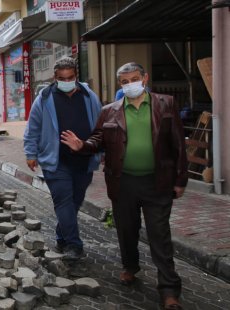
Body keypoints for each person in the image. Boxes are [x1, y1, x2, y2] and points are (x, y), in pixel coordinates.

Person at [60, 62, 187, 310]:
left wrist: (180, 180)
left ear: (145, 78)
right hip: (123, 182)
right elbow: (98, 139)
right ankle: (130, 266)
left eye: (134, 79)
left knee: (159, 236)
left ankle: (169, 291)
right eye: (124, 81)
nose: (130, 85)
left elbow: (178, 144)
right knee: (126, 231)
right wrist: (83, 146)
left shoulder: (165, 104)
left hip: (157, 182)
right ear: (120, 84)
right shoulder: (109, 111)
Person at [23, 56, 102, 261]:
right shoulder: (45, 98)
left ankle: (61, 235)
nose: (67, 81)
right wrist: (31, 153)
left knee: (75, 201)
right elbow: (33, 128)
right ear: (55, 77)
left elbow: (100, 126)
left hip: (84, 159)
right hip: (55, 161)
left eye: (71, 77)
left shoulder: (89, 96)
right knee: (63, 201)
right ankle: (74, 245)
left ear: (76, 76)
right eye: (62, 78)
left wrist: (101, 151)